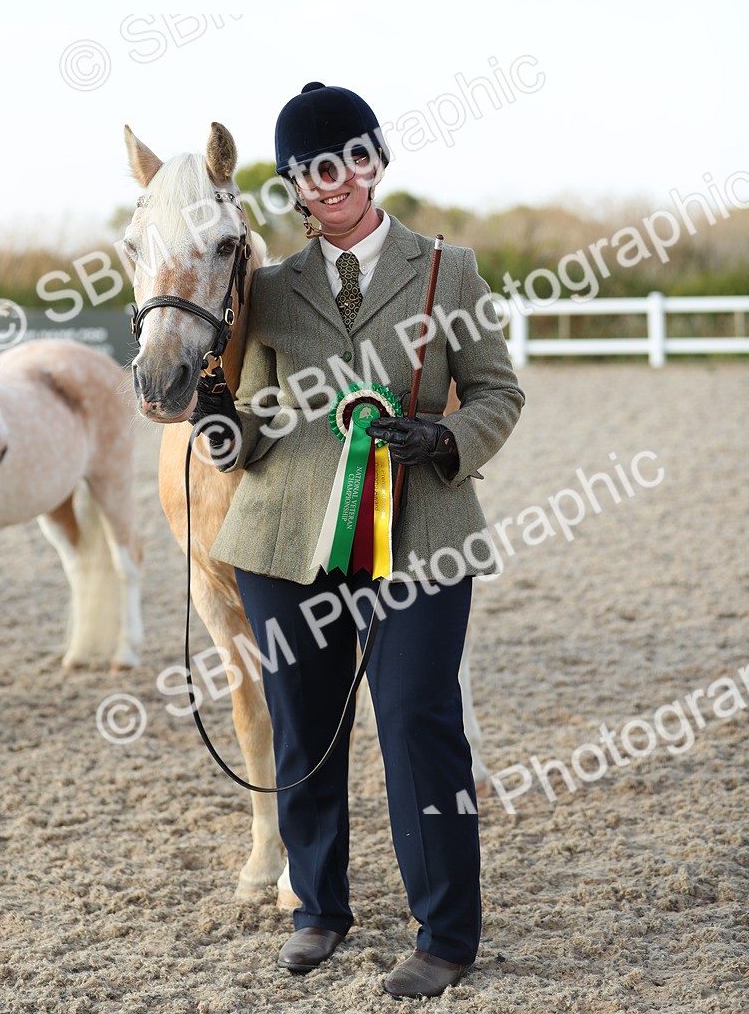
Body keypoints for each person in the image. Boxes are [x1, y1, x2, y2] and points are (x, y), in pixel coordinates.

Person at [203, 82, 525, 999]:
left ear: (377, 160)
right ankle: (318, 909)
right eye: (311, 168)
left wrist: (449, 439)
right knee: (305, 725)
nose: (333, 179)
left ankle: (447, 932)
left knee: (421, 720)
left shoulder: (445, 269)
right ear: (295, 188)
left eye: (348, 157)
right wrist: (226, 427)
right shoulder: (265, 291)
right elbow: (258, 418)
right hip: (282, 538)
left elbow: (500, 392)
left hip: (420, 531)